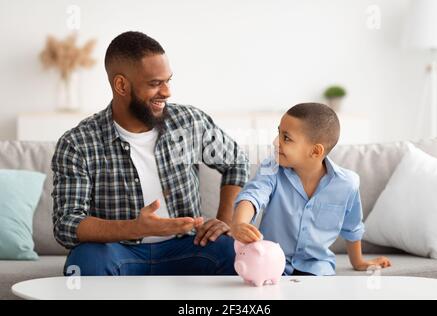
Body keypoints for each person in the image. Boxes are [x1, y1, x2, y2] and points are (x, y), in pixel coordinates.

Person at [52, 31, 249, 276]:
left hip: (188, 246)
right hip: (119, 251)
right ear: (121, 85)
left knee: (235, 252)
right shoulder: (77, 143)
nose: (167, 92)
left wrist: (225, 222)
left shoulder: (189, 122)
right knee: (84, 262)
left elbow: (236, 162)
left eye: (168, 80)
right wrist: (134, 228)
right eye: (155, 83)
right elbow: (67, 223)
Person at [230, 103, 391, 276]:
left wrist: (358, 262)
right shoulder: (271, 168)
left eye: (286, 138)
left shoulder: (347, 184)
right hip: (270, 263)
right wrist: (239, 223)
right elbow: (253, 195)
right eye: (278, 133)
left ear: (315, 151)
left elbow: (352, 228)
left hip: (317, 267)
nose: (276, 142)